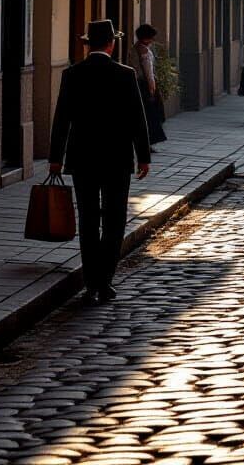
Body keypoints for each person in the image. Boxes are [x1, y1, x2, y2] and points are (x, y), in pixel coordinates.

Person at [49, 20, 150, 306]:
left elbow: (62, 119)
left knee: (89, 219)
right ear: (111, 43)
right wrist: (143, 156)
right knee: (115, 219)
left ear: (87, 44)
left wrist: (55, 158)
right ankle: (105, 280)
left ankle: (91, 281)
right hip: (117, 159)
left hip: (83, 159)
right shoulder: (125, 74)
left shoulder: (72, 74)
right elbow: (136, 119)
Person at [129, 24, 166, 149]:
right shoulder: (144, 51)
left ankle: (145, 143)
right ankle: (147, 143)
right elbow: (149, 72)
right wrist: (152, 89)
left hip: (137, 84)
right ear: (147, 38)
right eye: (151, 38)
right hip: (144, 85)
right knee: (152, 115)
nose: (152, 40)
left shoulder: (134, 48)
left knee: (144, 115)